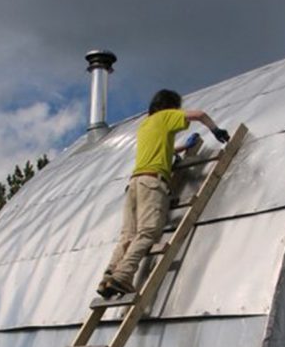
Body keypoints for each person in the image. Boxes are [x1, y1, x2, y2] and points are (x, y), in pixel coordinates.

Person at [97, 89, 230, 298]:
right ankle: (122, 276)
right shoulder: (164, 116)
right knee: (149, 231)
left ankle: (109, 276)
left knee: (128, 235)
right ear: (170, 106)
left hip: (134, 183)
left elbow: (162, 151)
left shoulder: (146, 125)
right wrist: (215, 129)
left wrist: (183, 148)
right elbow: (199, 115)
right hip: (152, 182)